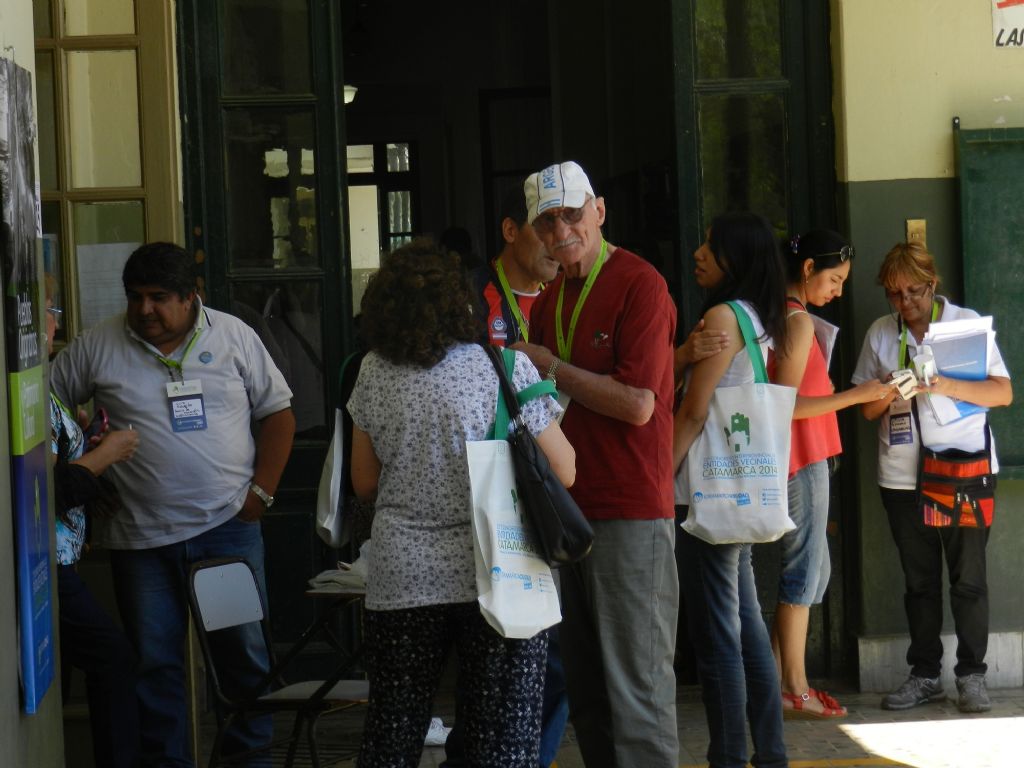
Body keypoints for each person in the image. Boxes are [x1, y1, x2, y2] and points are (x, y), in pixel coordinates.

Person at [50, 242, 295, 766]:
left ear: (191, 296)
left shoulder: (233, 336)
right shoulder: (98, 345)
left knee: (242, 660)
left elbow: (278, 414)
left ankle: (248, 763)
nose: (144, 310)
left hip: (225, 530)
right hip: (140, 541)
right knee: (154, 666)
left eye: (159, 298)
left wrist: (261, 493)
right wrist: (86, 470)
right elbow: (48, 412)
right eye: (135, 297)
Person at [348, 240, 575, 768]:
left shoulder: (373, 371)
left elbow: (364, 482)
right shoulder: (506, 368)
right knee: (501, 740)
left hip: (403, 577)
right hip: (501, 571)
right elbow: (564, 469)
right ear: (461, 303)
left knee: (393, 733)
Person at [512, 161, 679, 768]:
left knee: (638, 694)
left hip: (630, 509)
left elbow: (638, 405)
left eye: (571, 214)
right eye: (546, 221)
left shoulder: (641, 283)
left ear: (599, 211)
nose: (561, 231)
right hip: (565, 512)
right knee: (587, 694)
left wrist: (549, 366)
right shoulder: (549, 299)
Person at [851, 241, 1011, 714]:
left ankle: (972, 677)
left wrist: (943, 384)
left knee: (969, 581)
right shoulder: (882, 333)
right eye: (894, 294)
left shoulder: (964, 324)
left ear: (932, 283)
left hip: (964, 469)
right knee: (919, 583)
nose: (905, 303)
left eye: (913, 292)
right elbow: (866, 411)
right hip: (902, 477)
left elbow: (1003, 393)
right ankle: (924, 676)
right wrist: (891, 390)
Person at [443, 187, 567, 768]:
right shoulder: (471, 295)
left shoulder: (568, 292)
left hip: (557, 491)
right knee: (498, 658)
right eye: (545, 227)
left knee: (553, 657)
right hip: (492, 504)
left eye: (567, 226)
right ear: (511, 231)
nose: (557, 241)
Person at [673, 212, 789, 768]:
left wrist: (659, 476)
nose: (698, 253)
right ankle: (770, 753)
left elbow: (695, 411)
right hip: (739, 492)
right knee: (745, 627)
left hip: (709, 494)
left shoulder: (723, 316)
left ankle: (728, 756)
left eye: (710, 246)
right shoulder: (758, 317)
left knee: (718, 634)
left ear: (735, 259)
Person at [768, 231, 896, 718]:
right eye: (834, 280)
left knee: (813, 569)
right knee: (803, 570)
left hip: (809, 455)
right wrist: (858, 395)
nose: (839, 291)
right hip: (800, 457)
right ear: (807, 270)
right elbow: (784, 405)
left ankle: (777, 681)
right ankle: (795, 687)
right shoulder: (796, 319)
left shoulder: (791, 316)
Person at [46, 281, 141, 768]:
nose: (52, 322)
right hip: (45, 563)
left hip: (60, 558)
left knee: (62, 671)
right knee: (112, 656)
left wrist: (85, 443)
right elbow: (46, 490)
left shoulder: (42, 388)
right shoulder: (27, 394)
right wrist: (105, 455)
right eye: (48, 310)